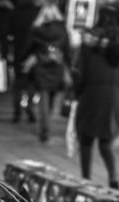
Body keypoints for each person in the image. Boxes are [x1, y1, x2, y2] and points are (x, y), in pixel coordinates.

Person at [72, 0, 119, 187]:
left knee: (86, 139)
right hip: (114, 95)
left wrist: (77, 92)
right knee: (106, 140)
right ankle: (113, 177)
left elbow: (78, 70)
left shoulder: (89, 39)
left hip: (90, 93)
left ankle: (86, 179)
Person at [21, 0, 70, 142]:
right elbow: (67, 50)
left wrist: (22, 59)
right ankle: (47, 124)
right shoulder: (62, 30)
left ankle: (44, 129)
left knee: (43, 96)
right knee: (52, 97)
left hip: (41, 66)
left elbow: (28, 48)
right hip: (57, 66)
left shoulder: (37, 29)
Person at [7, 0, 41, 123]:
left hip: (18, 52)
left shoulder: (16, 13)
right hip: (33, 54)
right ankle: (30, 110)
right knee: (31, 83)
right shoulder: (38, 12)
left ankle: (17, 112)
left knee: (18, 85)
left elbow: (9, 33)